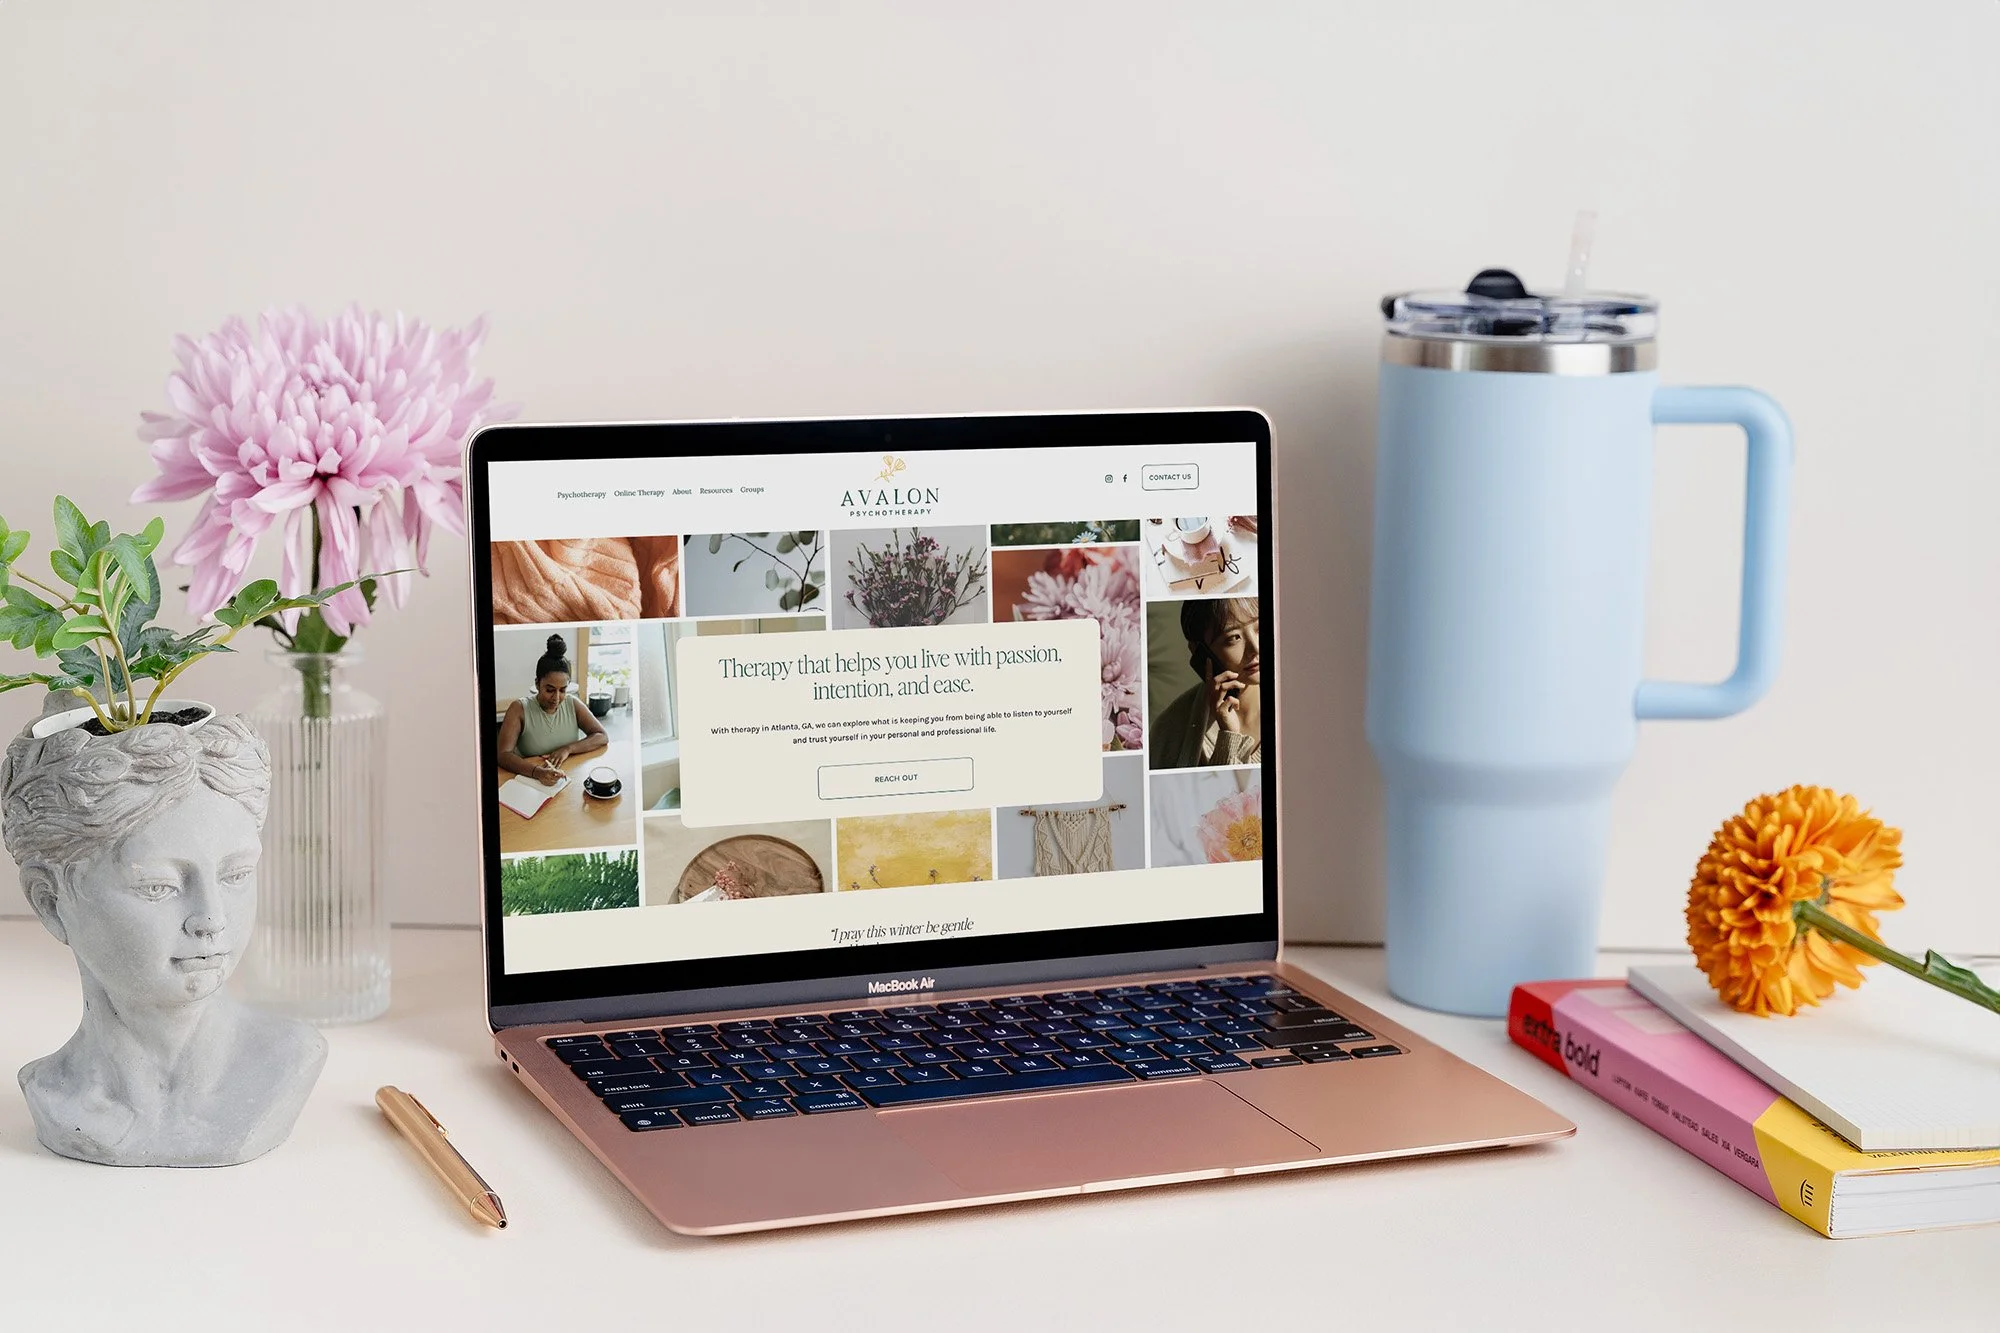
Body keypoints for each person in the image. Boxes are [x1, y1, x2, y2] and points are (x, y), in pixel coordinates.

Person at [0, 715, 326, 1165]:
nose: (211, 919)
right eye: (158, 886)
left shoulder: (287, 1060)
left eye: (236, 875)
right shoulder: (52, 1091)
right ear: (51, 903)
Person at [1150, 597, 1262, 768]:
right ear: (1199, 652)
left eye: (1259, 628)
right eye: (1234, 638)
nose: (1255, 649)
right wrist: (1228, 737)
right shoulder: (1170, 729)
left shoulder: (1303, 701)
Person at [498, 632, 608, 784]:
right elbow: (503, 754)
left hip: (567, 779)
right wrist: (537, 772)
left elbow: (602, 736)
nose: (556, 698)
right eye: (550, 690)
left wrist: (568, 749)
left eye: (562, 690)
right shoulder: (519, 709)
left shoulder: (572, 704)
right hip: (531, 780)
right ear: (537, 684)